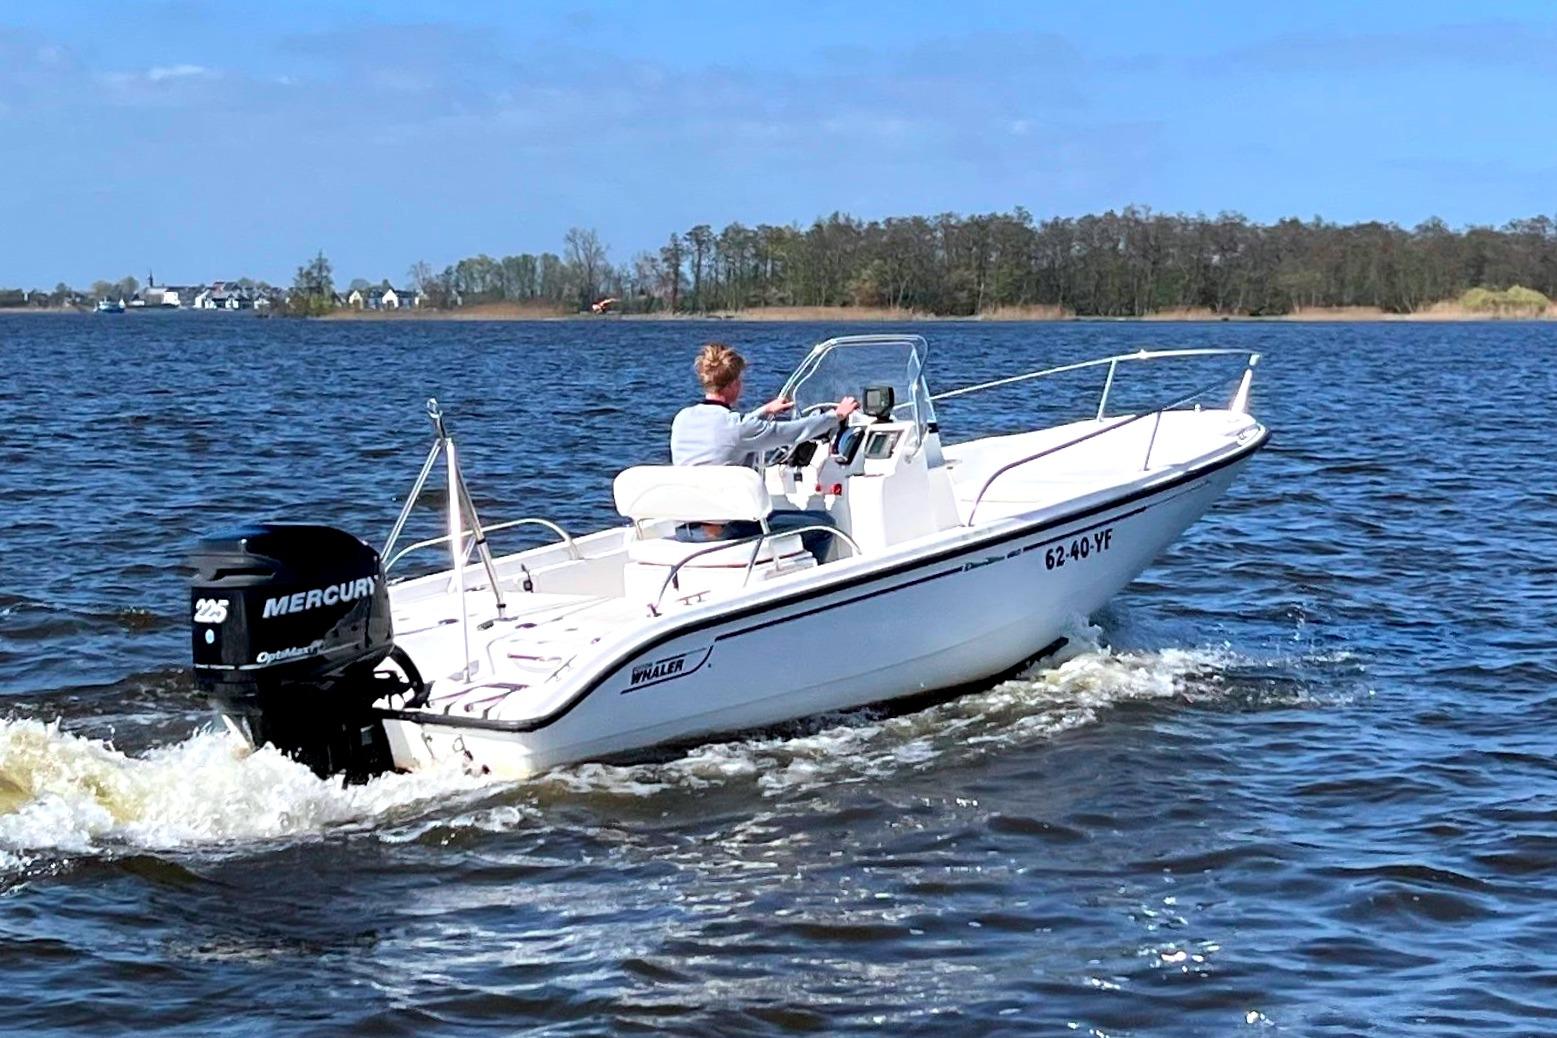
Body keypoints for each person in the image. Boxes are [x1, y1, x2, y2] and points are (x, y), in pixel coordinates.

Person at [669, 342, 858, 555]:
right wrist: (836, 416)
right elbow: (793, 432)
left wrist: (765, 411)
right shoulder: (739, 427)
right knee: (823, 525)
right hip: (726, 530)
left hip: (686, 528)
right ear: (733, 385)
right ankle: (809, 579)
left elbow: (727, 430)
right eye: (740, 381)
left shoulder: (682, 419)